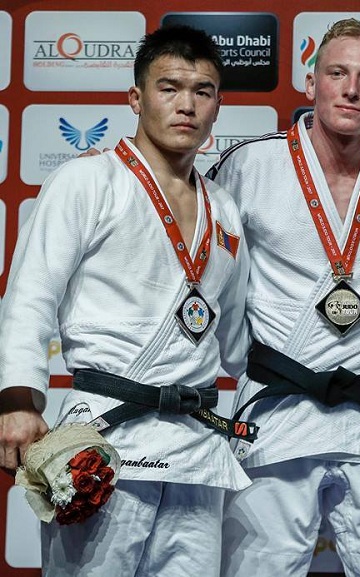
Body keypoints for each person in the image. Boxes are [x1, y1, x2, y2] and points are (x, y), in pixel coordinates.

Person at [206, 18, 360, 577]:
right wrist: (253, 360)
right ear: (310, 81)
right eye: (337, 73)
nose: (351, 89)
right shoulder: (249, 166)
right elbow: (217, 282)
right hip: (275, 413)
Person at [0, 25, 252, 576]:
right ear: (135, 98)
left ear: (217, 106)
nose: (186, 105)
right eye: (169, 88)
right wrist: (18, 400)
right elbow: (30, 296)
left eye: (203, 91)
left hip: (196, 449)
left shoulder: (225, 210)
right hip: (105, 439)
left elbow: (237, 339)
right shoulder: (86, 181)